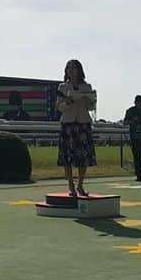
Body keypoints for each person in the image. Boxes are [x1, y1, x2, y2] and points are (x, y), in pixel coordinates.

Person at [56, 59, 97, 197]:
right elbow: (59, 107)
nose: (71, 71)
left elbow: (91, 107)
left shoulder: (87, 87)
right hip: (68, 123)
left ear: (80, 70)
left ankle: (80, 184)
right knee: (67, 156)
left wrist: (89, 99)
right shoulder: (62, 87)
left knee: (83, 156)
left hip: (83, 123)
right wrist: (68, 101)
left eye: (74, 68)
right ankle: (71, 186)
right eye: (69, 68)